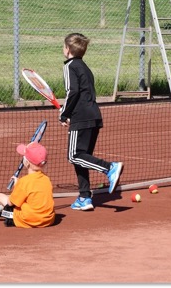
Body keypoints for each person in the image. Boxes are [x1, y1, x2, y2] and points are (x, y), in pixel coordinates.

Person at [59, 32, 123, 211]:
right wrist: (69, 111)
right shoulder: (85, 67)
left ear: (68, 49)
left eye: (64, 46)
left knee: (74, 156)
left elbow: (72, 92)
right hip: (93, 116)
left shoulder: (70, 66)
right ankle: (84, 197)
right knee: (81, 157)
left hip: (82, 118)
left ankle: (110, 168)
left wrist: (64, 113)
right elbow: (82, 94)